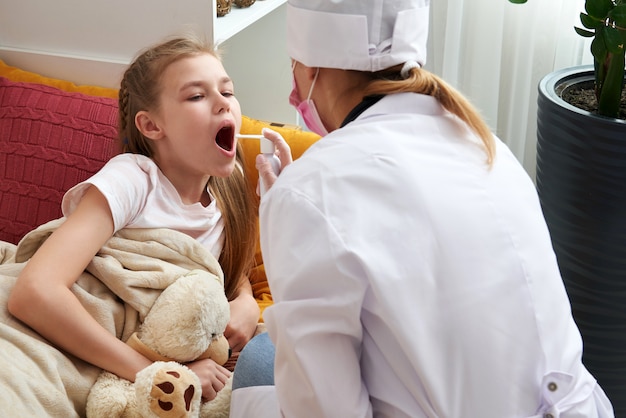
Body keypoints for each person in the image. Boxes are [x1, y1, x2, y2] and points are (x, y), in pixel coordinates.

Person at [229, 0, 615, 417]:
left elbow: (323, 409)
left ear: (310, 69)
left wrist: (285, 217)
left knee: (259, 360)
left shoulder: (310, 190)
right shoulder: (485, 144)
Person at [7, 34, 261, 403]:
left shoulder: (230, 188)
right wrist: (160, 373)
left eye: (228, 91)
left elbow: (226, 270)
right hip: (55, 336)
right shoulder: (133, 179)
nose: (224, 105)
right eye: (197, 95)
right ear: (151, 126)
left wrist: (247, 302)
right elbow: (33, 294)